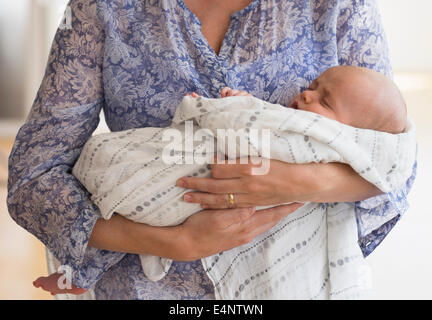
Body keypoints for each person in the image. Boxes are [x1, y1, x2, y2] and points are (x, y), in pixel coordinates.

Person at [8, 0, 417, 300]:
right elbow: (32, 179)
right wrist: (176, 243)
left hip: (285, 281)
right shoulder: (104, 9)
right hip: (145, 287)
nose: (307, 100)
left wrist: (297, 181)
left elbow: (392, 159)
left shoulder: (338, 6)